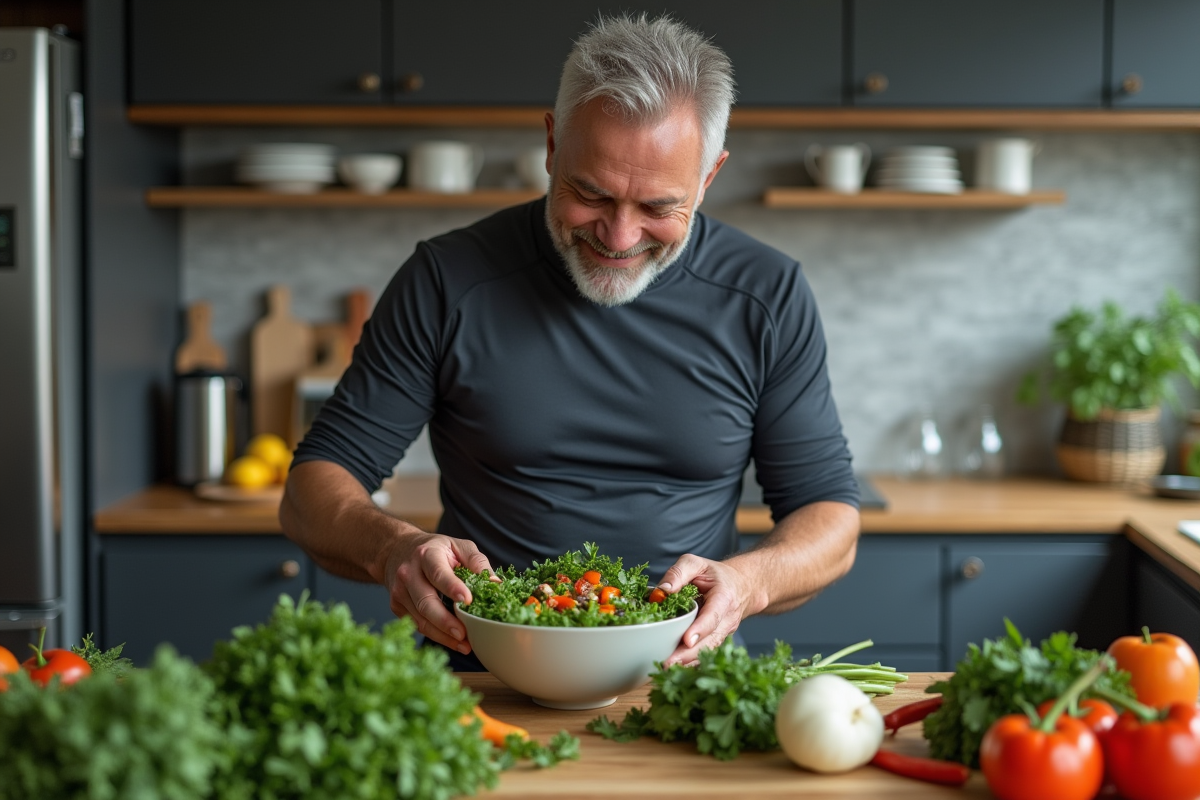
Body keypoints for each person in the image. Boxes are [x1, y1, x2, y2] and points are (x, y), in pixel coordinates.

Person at [280, 14, 861, 669]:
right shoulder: (447, 280)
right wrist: (394, 549)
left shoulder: (767, 294)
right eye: (591, 194)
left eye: (658, 208)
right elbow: (313, 488)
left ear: (708, 177)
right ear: (552, 146)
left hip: (682, 678)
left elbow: (829, 515)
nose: (618, 237)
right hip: (483, 676)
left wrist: (751, 582)